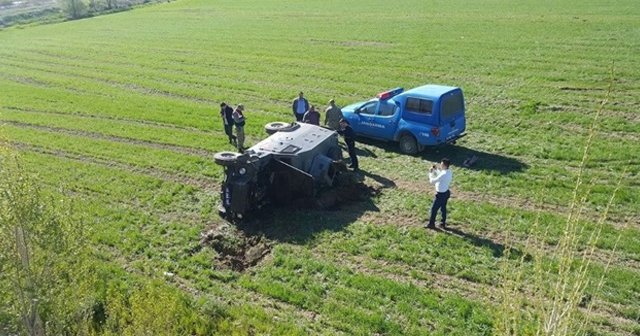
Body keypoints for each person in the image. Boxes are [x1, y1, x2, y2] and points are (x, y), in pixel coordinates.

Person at [425, 158, 452, 229]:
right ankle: (443, 223)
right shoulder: (449, 171)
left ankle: (431, 224)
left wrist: (430, 173)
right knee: (443, 208)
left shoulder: (443, 174)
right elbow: (440, 175)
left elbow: (432, 181)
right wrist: (435, 170)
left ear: (444, 165)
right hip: (446, 193)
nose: (440, 165)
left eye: (441, 164)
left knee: (433, 209)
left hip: (440, 195)